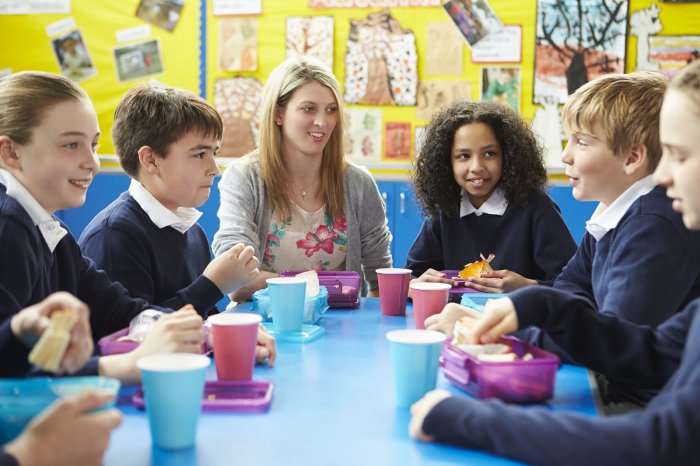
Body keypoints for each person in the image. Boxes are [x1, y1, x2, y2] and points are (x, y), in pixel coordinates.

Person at [409, 60, 700, 466]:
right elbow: (645, 349)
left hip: (626, 409)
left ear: (633, 157)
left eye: (680, 156)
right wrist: (529, 308)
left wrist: (470, 419)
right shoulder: (612, 218)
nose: (664, 175)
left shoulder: (654, 224)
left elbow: (659, 434)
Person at [0, 71, 206, 383]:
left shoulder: (50, 230)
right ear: (11, 152)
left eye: (93, 145)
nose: (92, 162)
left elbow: (121, 309)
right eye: (71, 145)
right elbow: (9, 367)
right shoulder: (8, 227)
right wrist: (123, 367)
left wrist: (206, 333)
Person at [78, 83, 275, 365]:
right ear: (151, 160)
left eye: (214, 153)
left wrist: (233, 338)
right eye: (199, 154)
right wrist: (213, 284)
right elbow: (133, 335)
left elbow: (203, 318)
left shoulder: (189, 227)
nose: (213, 168)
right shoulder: (115, 235)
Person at [212, 56, 392, 302]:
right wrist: (310, 284)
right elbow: (236, 280)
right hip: (265, 326)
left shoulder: (357, 183)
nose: (322, 121)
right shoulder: (245, 178)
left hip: (339, 327)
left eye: (331, 110)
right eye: (308, 109)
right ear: (278, 114)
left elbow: (381, 281)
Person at [406, 100, 576, 293]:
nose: (477, 167)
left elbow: (573, 284)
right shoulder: (445, 209)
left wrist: (526, 286)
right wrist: (415, 284)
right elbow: (412, 275)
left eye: (489, 153)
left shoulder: (536, 207)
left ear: (508, 156)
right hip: (453, 318)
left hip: (519, 319)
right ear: (446, 162)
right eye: (463, 156)